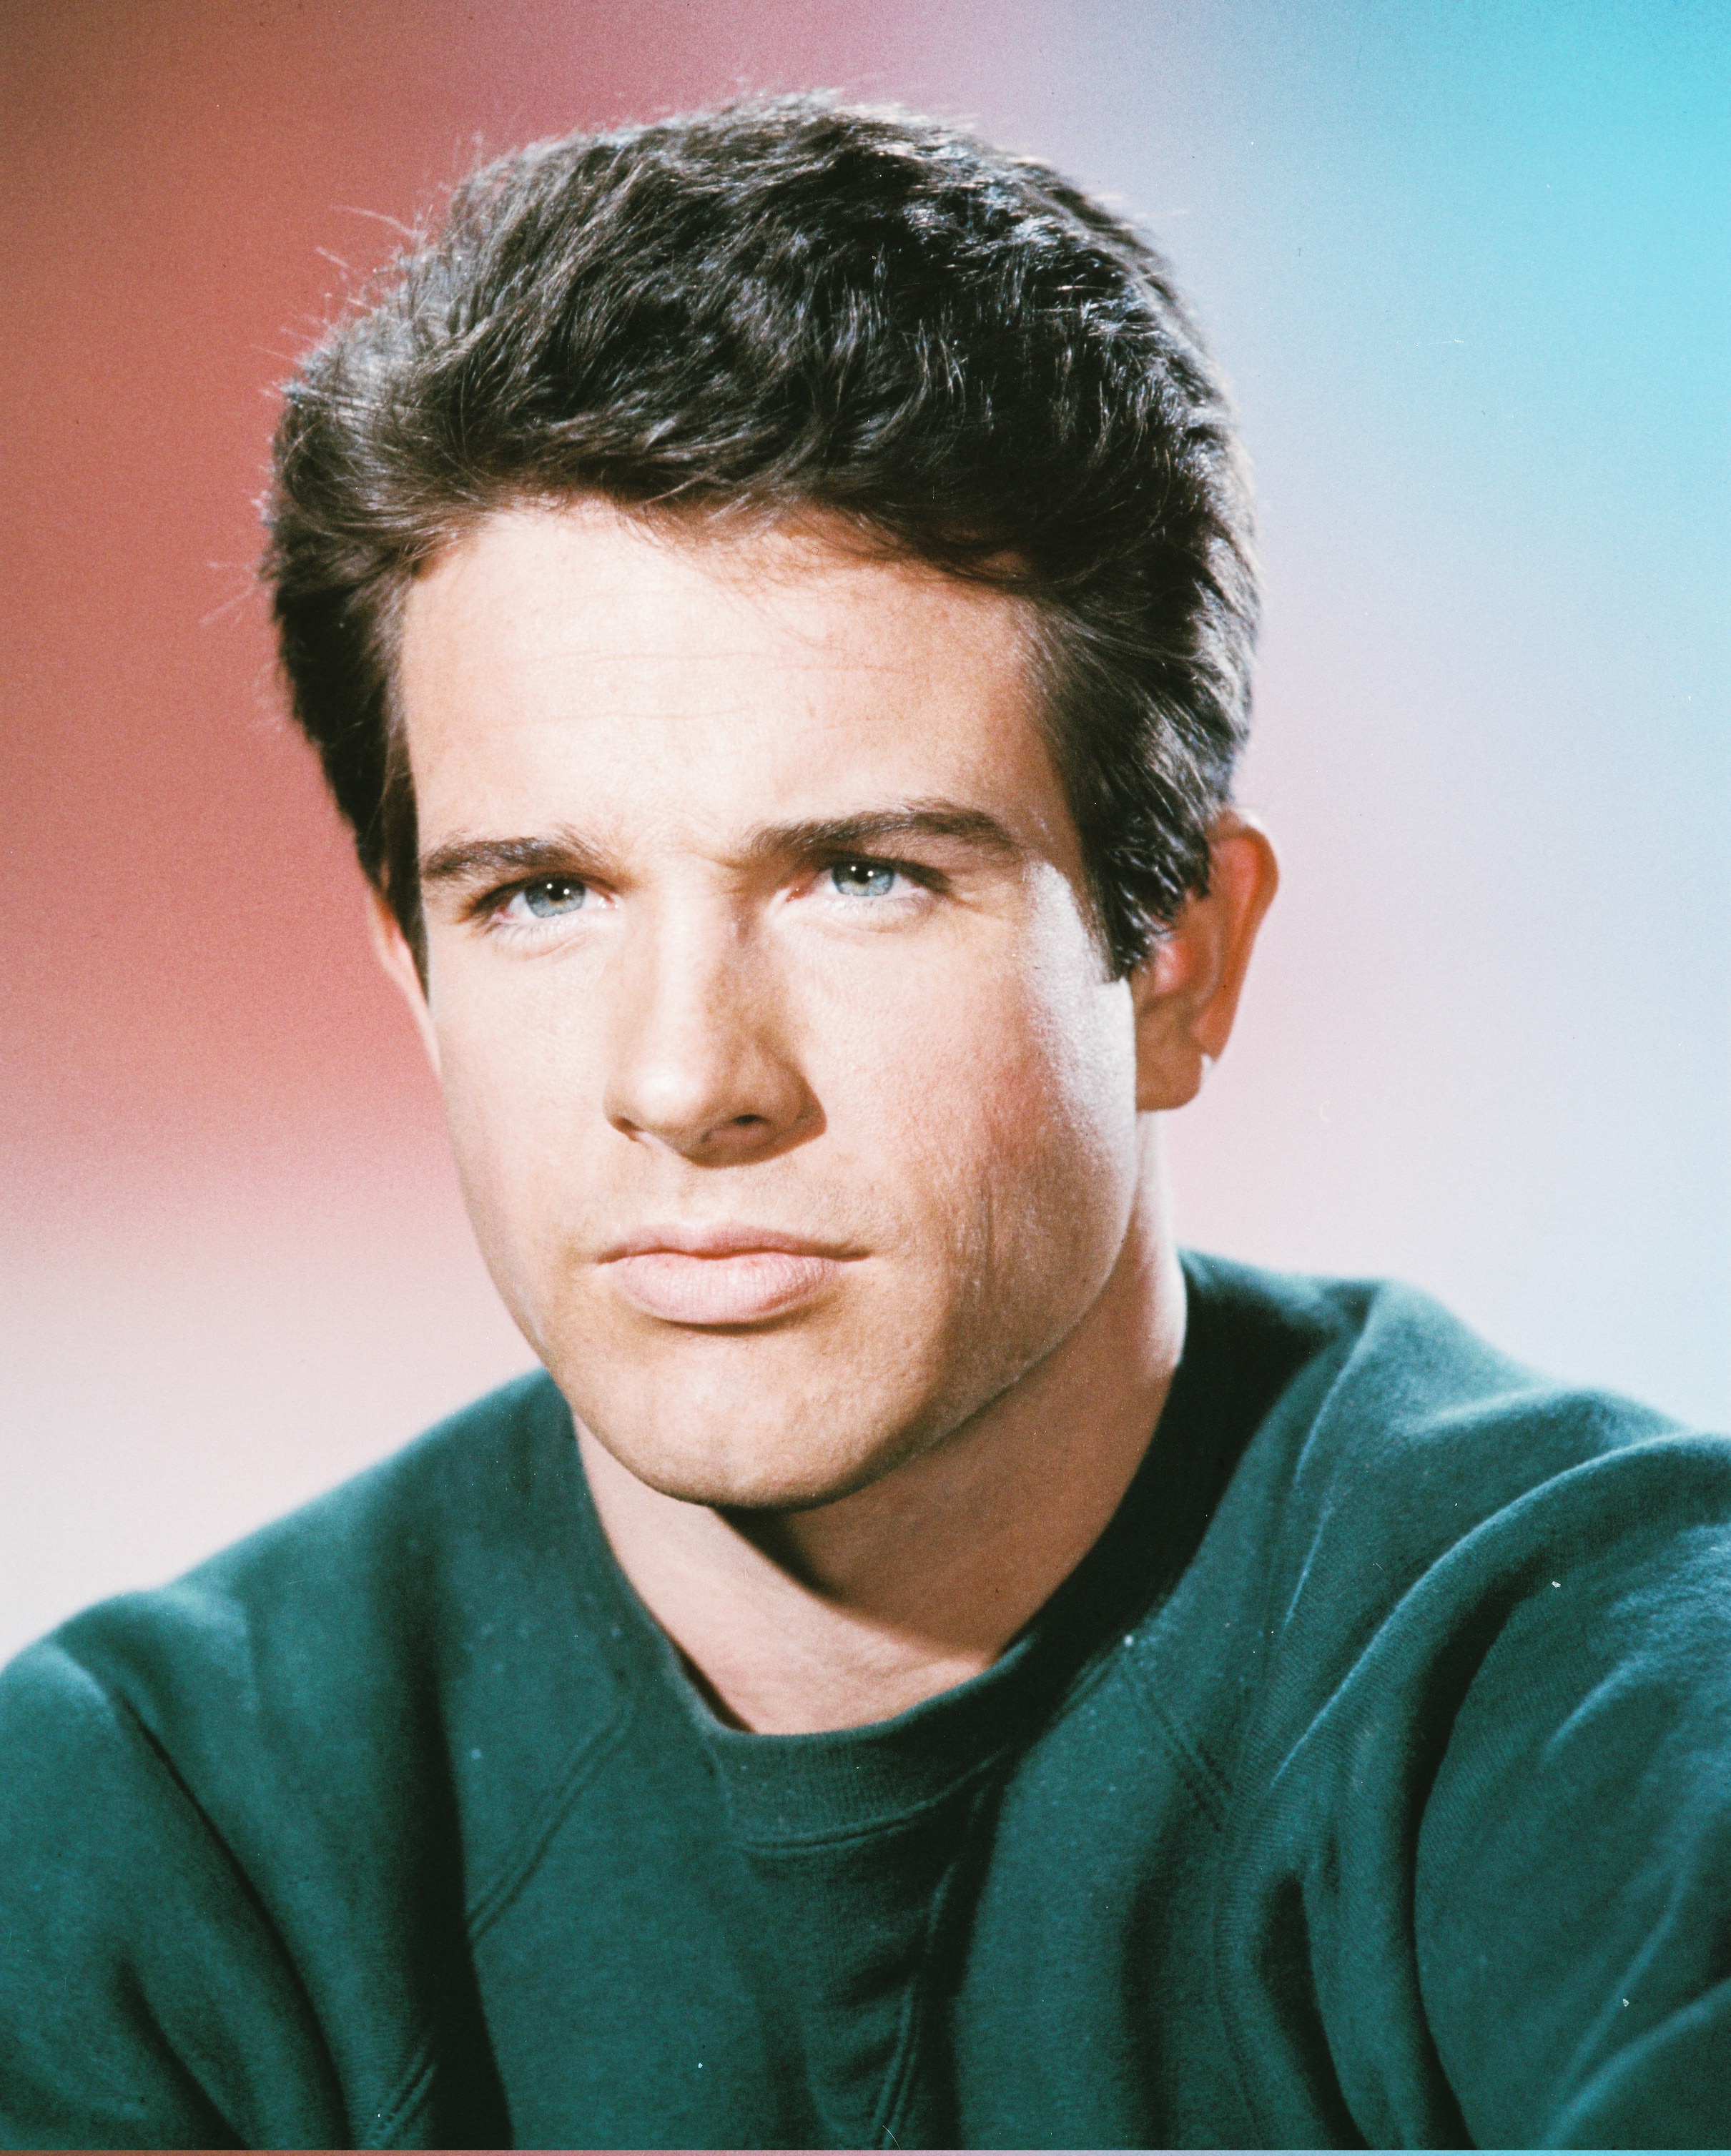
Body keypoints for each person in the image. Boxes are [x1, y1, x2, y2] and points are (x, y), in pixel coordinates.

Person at [1, 93, 1727, 2153]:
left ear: (1177, 958)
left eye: (863, 876)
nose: (687, 1080)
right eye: (543, 895)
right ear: (416, 968)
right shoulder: (139, 1843)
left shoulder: (1602, 1715)